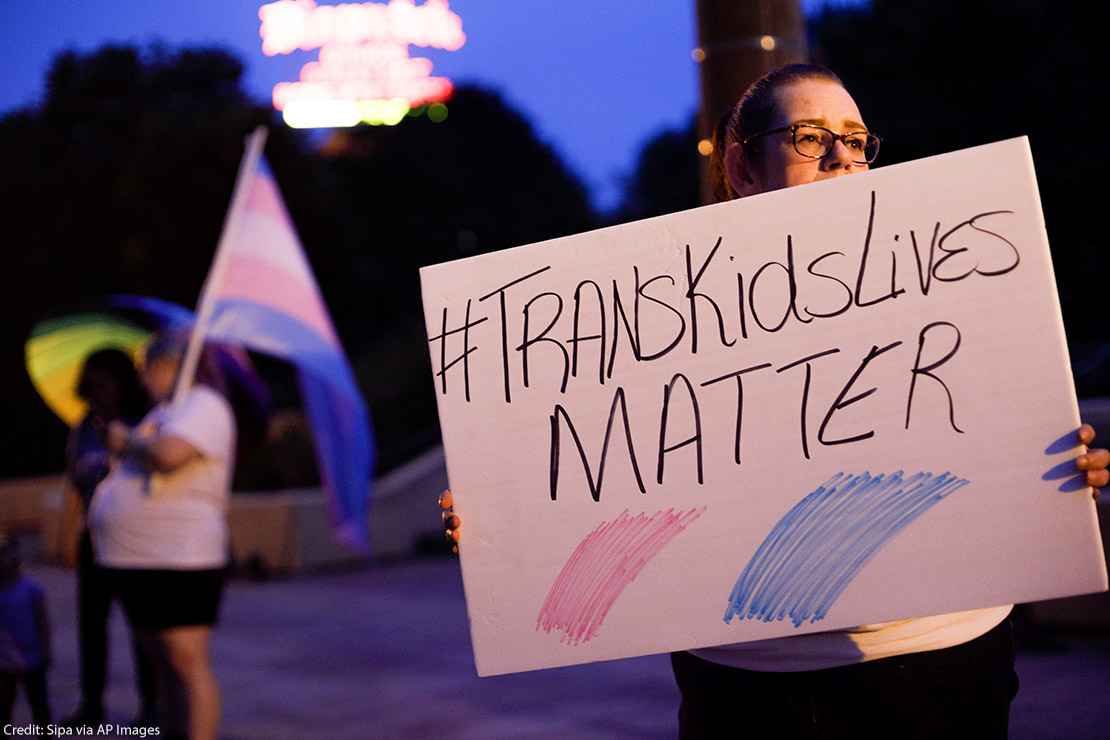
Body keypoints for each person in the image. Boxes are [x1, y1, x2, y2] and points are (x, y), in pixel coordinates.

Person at [441, 64, 1110, 739]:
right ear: (742, 167)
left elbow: (997, 435)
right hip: (749, 684)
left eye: (856, 138)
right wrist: (502, 524)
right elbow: (601, 454)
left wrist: (1058, 465)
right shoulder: (662, 310)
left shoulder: (953, 276)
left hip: (942, 659)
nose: (843, 156)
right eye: (810, 136)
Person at [88, 331, 235, 740]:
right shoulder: (166, 411)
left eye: (146, 368)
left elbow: (169, 456)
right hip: (140, 560)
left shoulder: (204, 405)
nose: (143, 379)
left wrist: (125, 440)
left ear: (168, 365)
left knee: (186, 658)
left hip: (180, 559)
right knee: (161, 659)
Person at [62, 348, 157, 729]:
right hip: (94, 537)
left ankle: (150, 706)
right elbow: (73, 475)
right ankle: (91, 705)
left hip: (133, 540)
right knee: (91, 625)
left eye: (105, 383)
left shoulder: (142, 423)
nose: (98, 392)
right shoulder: (85, 425)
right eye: (93, 385)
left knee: (141, 628)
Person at [0, 532, 51, 726]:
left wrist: (46, 651)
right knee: (4, 706)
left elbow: (42, 622)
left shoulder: (32, 590)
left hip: (32, 658)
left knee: (39, 704)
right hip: (3, 662)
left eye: (7, 554)